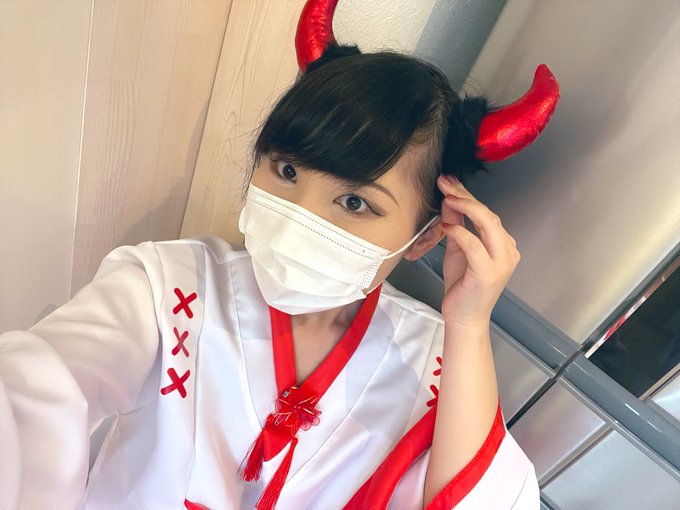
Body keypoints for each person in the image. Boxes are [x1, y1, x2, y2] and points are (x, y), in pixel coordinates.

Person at [0, 1, 559, 508]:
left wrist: (469, 324)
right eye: (287, 170)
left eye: (355, 202)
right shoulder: (168, 288)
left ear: (425, 236)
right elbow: (37, 386)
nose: (299, 217)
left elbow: (487, 500)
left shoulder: (434, 359)